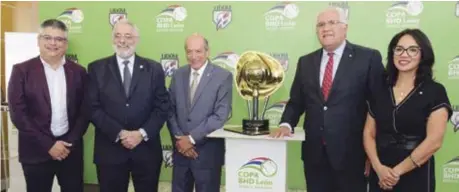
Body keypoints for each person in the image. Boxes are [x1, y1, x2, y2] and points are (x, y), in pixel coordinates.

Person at [270, 7, 386, 192]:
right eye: (321, 24)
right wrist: (286, 124)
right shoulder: (306, 62)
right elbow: (296, 101)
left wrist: (374, 154)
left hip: (352, 155)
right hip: (314, 155)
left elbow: (379, 106)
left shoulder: (368, 58)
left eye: (332, 22)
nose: (326, 28)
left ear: (345, 27)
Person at [364, 29, 453, 191]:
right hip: (380, 171)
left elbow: (434, 141)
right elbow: (369, 133)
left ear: (423, 55)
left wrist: (396, 173)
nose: (404, 54)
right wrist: (379, 168)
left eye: (412, 50)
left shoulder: (435, 91)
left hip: (415, 171)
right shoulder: (379, 89)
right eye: (399, 49)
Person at [87, 19, 169, 192]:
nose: (122, 41)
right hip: (110, 151)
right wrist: (120, 133)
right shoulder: (96, 68)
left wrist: (141, 133)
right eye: (118, 36)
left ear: (136, 39)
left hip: (145, 151)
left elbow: (162, 107)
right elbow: (92, 108)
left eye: (128, 36)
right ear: (112, 39)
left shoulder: (154, 69)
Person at [8, 19, 89, 192]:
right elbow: (18, 114)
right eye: (48, 37)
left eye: (59, 39)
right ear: (39, 41)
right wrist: (48, 145)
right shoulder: (21, 71)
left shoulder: (79, 72)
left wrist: (68, 142)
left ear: (66, 44)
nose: (53, 43)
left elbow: (85, 111)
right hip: (35, 151)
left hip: (70, 151)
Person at [167, 33, 232, 192]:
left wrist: (190, 139)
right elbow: (169, 110)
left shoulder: (223, 76)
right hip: (181, 153)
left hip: (207, 156)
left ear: (207, 52)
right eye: (189, 52)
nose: (193, 56)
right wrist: (181, 140)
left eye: (198, 51)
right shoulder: (178, 75)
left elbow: (220, 115)